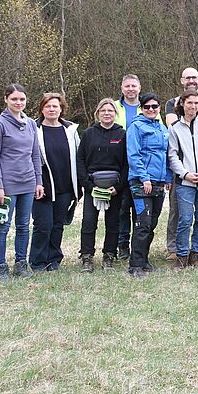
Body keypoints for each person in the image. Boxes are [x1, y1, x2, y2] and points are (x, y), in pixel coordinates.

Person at [0, 84, 44, 281]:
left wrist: (38, 181)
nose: (18, 102)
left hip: (28, 182)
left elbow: (35, 154)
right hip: (7, 185)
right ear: (6, 100)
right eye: (14, 99)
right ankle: (0, 267)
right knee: (2, 227)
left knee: (23, 226)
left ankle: (21, 264)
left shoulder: (30, 123)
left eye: (22, 99)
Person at [164, 67, 198, 261]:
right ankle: (178, 252)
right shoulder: (174, 122)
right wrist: (185, 174)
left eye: (196, 103)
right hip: (183, 179)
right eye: (189, 103)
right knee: (182, 216)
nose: (193, 106)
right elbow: (172, 154)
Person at [30, 93, 81, 272]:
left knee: (58, 225)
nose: (52, 109)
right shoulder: (33, 130)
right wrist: (36, 182)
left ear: (61, 109)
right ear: (42, 109)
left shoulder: (70, 130)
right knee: (43, 226)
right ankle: (37, 262)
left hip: (65, 186)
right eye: (48, 106)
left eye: (55, 106)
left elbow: (78, 157)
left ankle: (54, 260)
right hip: (42, 187)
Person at [77, 98, 128, 271]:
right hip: (93, 186)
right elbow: (80, 160)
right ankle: (87, 257)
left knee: (113, 222)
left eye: (110, 110)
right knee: (89, 222)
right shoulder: (89, 133)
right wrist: (89, 186)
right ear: (98, 113)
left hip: (114, 187)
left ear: (116, 113)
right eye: (103, 110)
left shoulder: (122, 135)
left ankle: (109, 256)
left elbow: (127, 164)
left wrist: (119, 187)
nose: (107, 113)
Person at [126, 93, 172, 277]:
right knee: (142, 223)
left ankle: (144, 260)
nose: (151, 110)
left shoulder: (162, 128)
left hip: (159, 183)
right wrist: (144, 177)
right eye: (147, 107)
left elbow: (166, 154)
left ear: (159, 108)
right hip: (141, 182)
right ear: (142, 109)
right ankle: (135, 264)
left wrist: (168, 177)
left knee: (151, 223)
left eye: (154, 106)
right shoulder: (135, 127)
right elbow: (133, 154)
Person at [113, 74, 151, 261]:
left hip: (142, 164)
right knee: (122, 207)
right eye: (127, 86)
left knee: (139, 208)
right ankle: (122, 244)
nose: (130, 89)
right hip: (120, 162)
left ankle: (139, 244)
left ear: (139, 87)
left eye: (133, 86)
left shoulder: (148, 107)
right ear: (122, 88)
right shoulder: (114, 106)